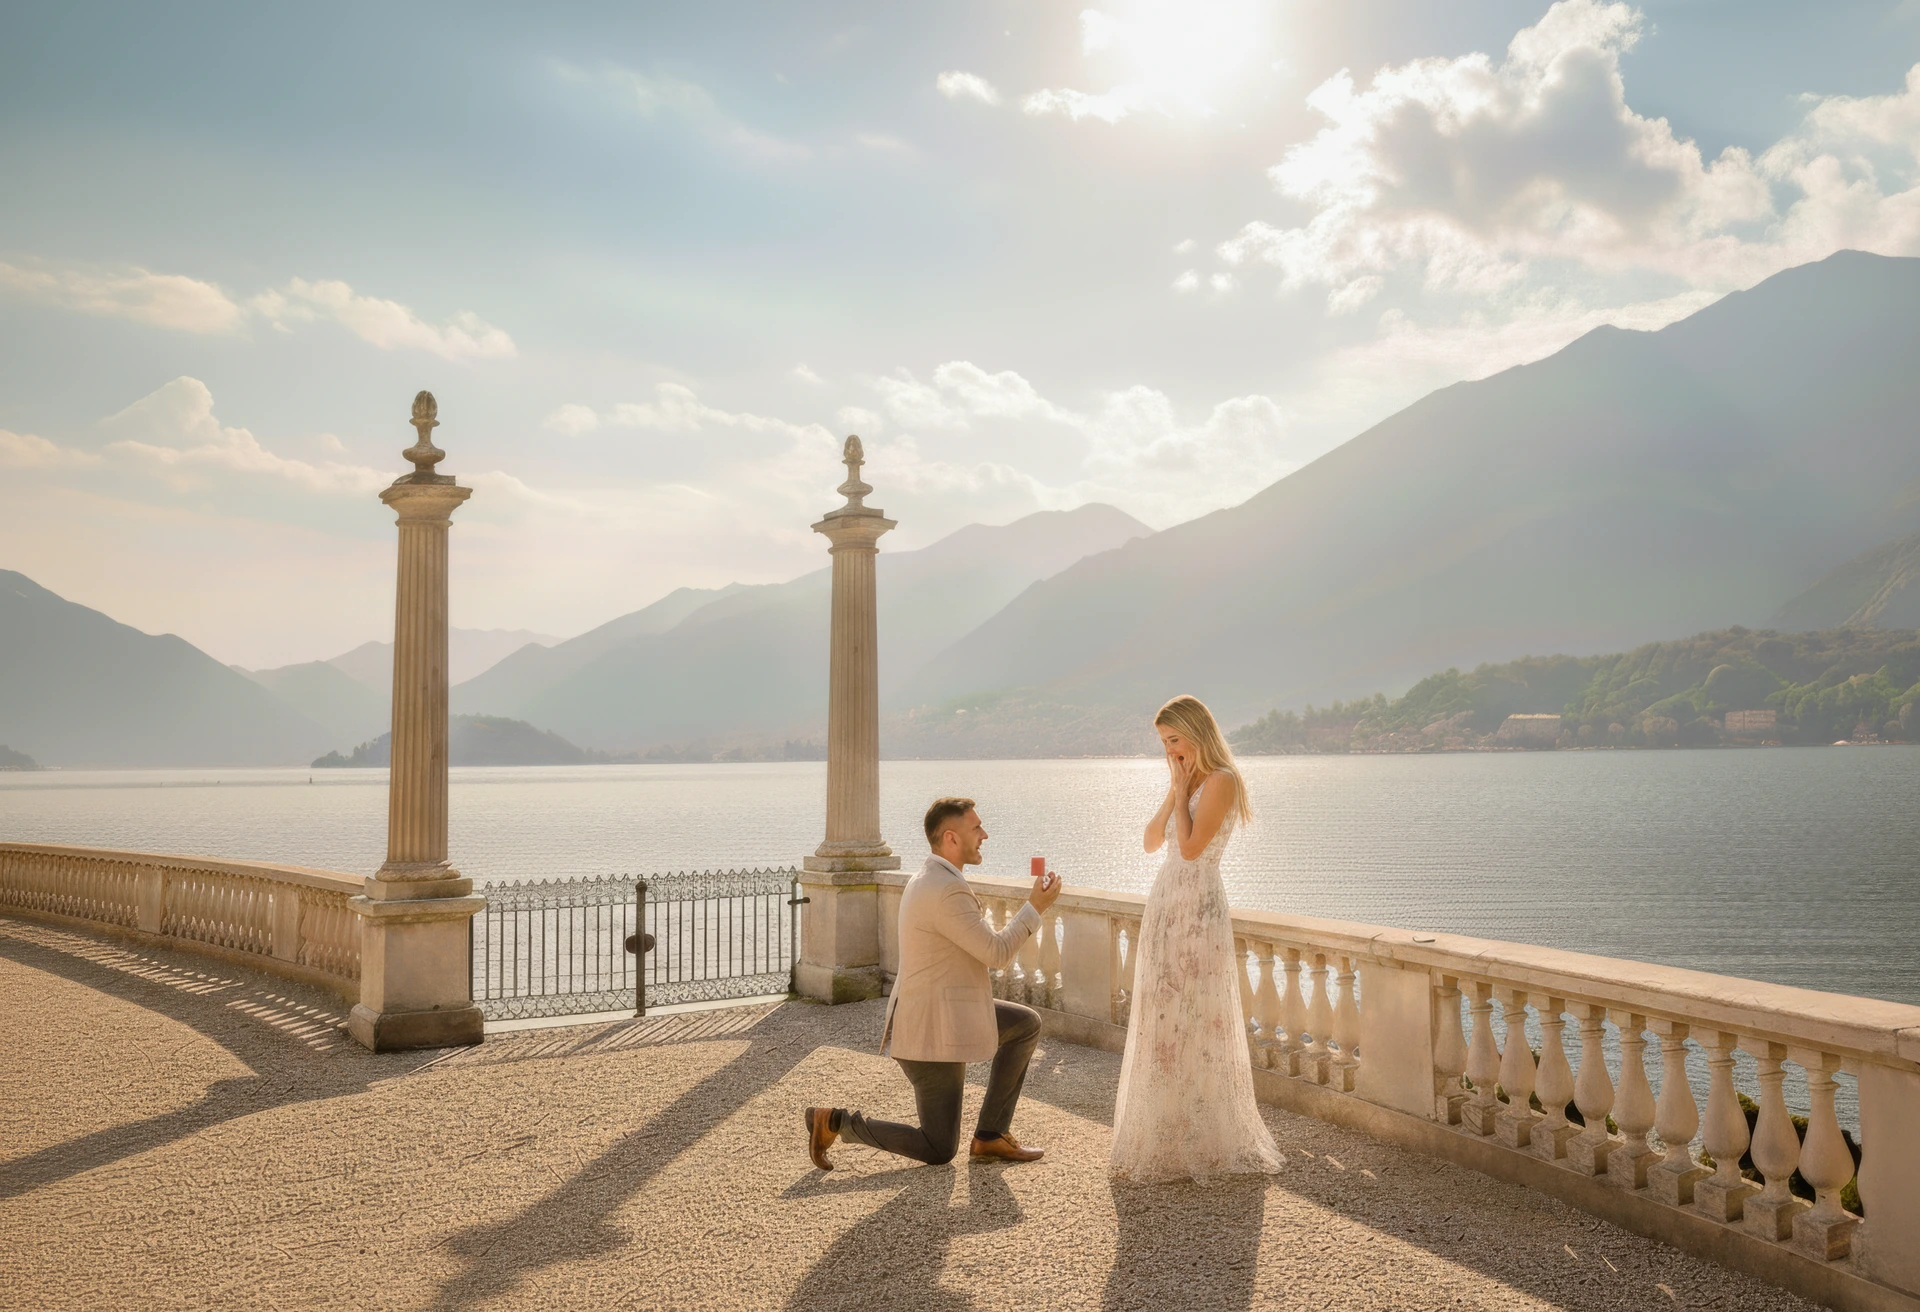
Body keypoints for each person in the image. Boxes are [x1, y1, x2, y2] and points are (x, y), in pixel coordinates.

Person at [805, 796, 1063, 1169]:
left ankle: (991, 1136)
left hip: (941, 1013)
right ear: (951, 838)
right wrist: (1034, 907)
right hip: (929, 1030)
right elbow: (996, 953)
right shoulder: (946, 890)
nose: (984, 835)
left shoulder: (931, 877)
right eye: (976, 828)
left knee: (1024, 1024)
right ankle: (833, 1122)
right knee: (938, 1148)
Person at [1109, 694, 1285, 1183]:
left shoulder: (1223, 781)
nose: (1169, 750)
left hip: (1199, 908)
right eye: (1164, 743)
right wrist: (1173, 790)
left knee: (1198, 1016)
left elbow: (1188, 850)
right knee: (1163, 1017)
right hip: (1166, 906)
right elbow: (1150, 843)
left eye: (1174, 740)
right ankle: (1169, 1130)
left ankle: (1206, 1136)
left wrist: (1184, 789)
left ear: (1196, 732)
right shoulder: (1186, 782)